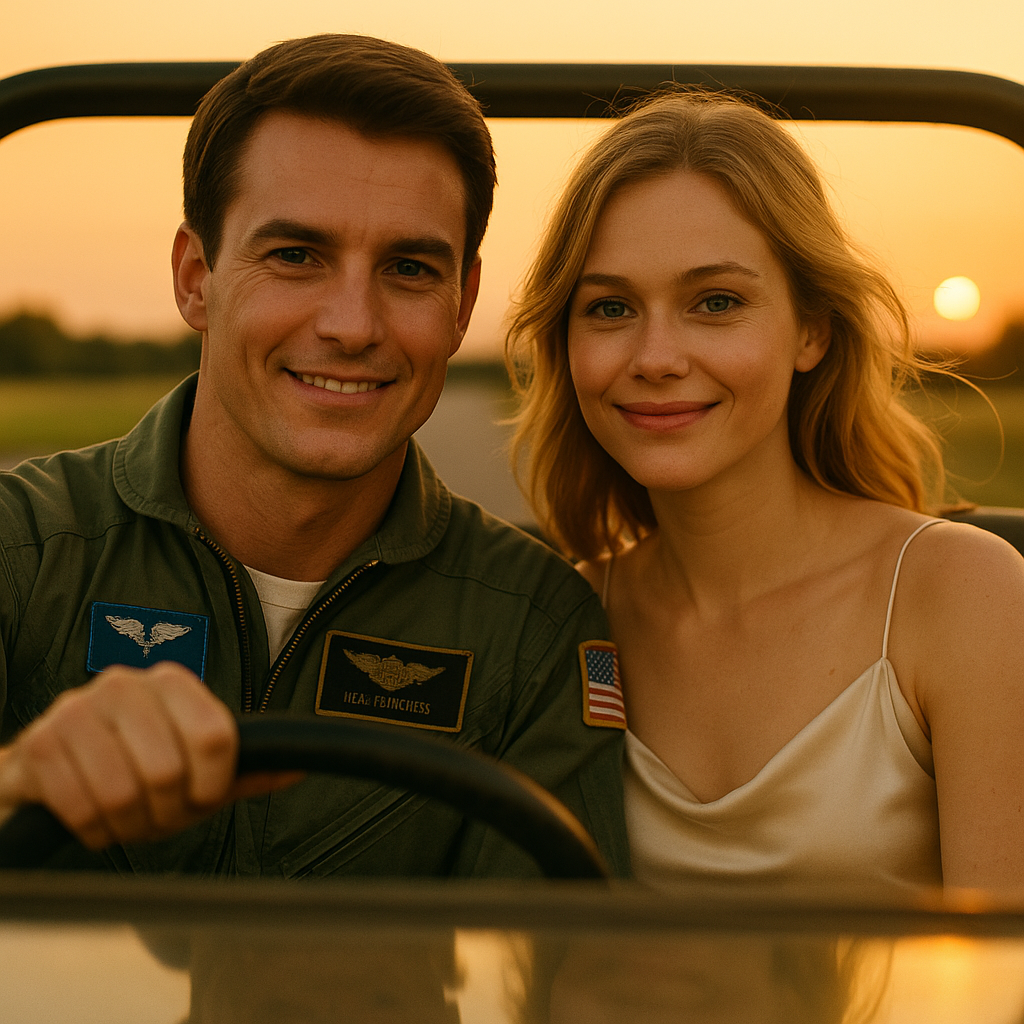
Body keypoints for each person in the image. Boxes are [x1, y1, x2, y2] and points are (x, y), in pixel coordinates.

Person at [0, 34, 629, 878]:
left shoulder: (535, 629)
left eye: (409, 268)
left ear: (461, 304)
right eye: (295, 256)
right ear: (196, 277)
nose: (352, 324)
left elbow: (554, 982)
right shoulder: (20, 553)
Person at [507, 88, 1024, 892]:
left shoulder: (963, 595)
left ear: (811, 329)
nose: (656, 356)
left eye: (716, 302)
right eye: (609, 307)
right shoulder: (568, 624)